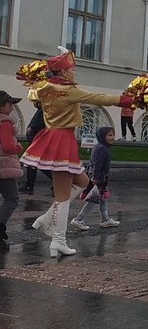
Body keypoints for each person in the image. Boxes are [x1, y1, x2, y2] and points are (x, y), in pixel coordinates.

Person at [20, 49, 133, 257]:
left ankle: (46, 219)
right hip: (62, 139)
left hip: (51, 137)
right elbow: (98, 97)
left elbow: (32, 92)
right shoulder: (68, 91)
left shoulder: (43, 88)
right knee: (63, 197)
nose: (75, 73)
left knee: (82, 183)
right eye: (72, 70)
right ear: (62, 73)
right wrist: (124, 100)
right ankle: (58, 240)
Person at [70, 127, 120, 229]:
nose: (112, 137)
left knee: (103, 198)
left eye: (113, 135)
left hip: (99, 178)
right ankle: (78, 219)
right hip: (98, 178)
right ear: (102, 136)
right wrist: (95, 177)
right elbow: (97, 164)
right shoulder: (102, 148)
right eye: (109, 135)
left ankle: (105, 220)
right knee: (93, 199)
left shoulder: (100, 146)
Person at [0, 91, 23, 246]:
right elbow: (8, 146)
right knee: (12, 198)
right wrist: (17, 147)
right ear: (1, 106)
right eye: (10, 104)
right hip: (4, 167)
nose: (12, 108)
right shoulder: (5, 122)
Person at [18, 101, 53, 194]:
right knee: (34, 164)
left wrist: (31, 129)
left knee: (35, 163)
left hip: (37, 141)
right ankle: (29, 185)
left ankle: (55, 181)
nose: (34, 103)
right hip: (36, 140)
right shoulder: (42, 111)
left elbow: (37, 125)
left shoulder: (43, 111)